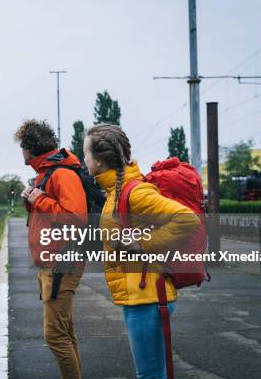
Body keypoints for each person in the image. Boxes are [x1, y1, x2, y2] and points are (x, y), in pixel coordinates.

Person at [83, 123, 200, 379]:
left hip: (148, 297)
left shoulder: (134, 192)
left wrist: (142, 243)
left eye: (86, 154)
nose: (85, 160)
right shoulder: (115, 191)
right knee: (151, 373)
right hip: (139, 294)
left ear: (100, 160)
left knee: (149, 375)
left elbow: (187, 219)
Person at [14, 119, 88, 379]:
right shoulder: (45, 174)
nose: (20, 152)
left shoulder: (62, 174)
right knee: (64, 331)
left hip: (62, 263)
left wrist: (40, 199)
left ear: (29, 148)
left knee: (55, 335)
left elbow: (76, 218)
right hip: (53, 261)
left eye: (21, 146)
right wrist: (31, 202)